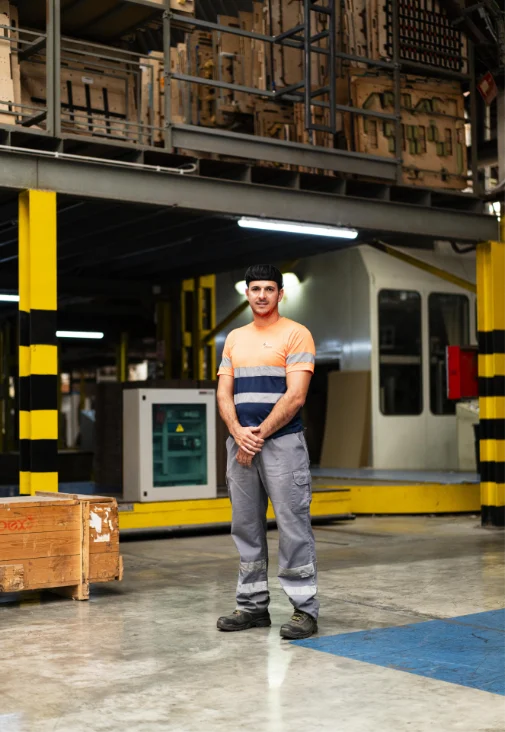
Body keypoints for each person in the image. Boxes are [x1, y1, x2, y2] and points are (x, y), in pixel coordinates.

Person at [216, 263, 318, 640]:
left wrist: (255, 436)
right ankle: (252, 606)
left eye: (269, 289)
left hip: (283, 444)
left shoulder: (296, 334)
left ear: (280, 294)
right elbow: (223, 393)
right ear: (247, 293)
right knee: (245, 527)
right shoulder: (234, 338)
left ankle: (304, 610)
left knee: (293, 526)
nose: (262, 295)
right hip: (240, 444)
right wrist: (237, 432)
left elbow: (296, 396)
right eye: (255, 289)